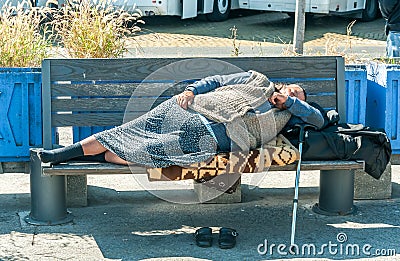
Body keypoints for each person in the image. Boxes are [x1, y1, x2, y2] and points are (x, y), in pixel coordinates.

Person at [38, 70, 325, 167]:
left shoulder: (288, 116)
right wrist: (190, 90)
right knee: (127, 132)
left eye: (298, 97)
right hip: (191, 110)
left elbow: (319, 120)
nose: (294, 95)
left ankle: (80, 158)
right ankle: (58, 155)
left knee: (137, 151)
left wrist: (293, 105)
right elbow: (216, 79)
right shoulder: (258, 79)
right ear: (284, 85)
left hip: (212, 137)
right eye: (293, 90)